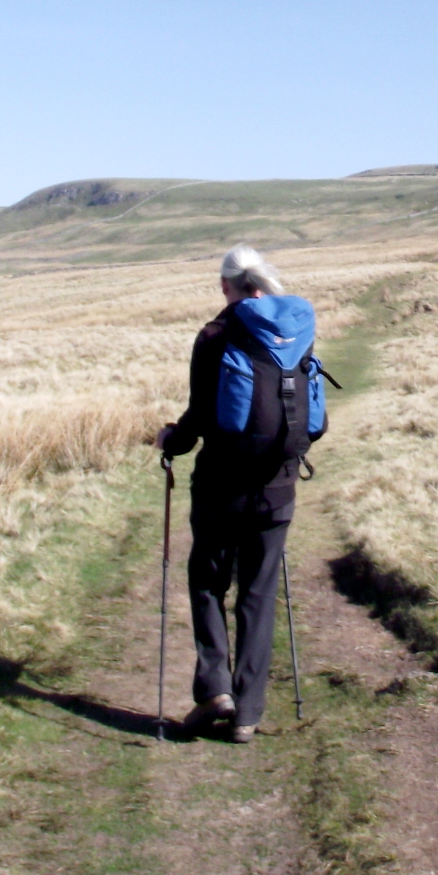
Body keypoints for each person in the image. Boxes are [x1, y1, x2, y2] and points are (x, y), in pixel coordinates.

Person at [155, 244, 320, 742]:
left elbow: (200, 414)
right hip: (279, 485)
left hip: (221, 487)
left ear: (226, 285)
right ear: (260, 284)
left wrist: (171, 441)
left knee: (207, 582)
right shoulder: (294, 331)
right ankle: (247, 713)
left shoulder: (215, 334)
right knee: (258, 594)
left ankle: (214, 690)